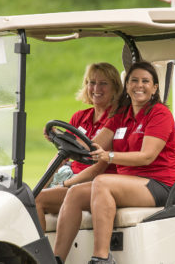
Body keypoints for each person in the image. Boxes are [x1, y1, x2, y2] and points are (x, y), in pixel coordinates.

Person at [53, 62, 175, 264]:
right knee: (75, 193)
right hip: (129, 183)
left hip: (161, 185)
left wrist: (110, 156)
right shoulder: (121, 116)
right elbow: (92, 146)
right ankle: (56, 259)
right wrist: (62, 140)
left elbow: (147, 156)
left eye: (145, 81)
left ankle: (101, 258)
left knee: (103, 182)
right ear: (127, 85)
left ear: (154, 88)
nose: (139, 85)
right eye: (134, 80)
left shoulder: (159, 114)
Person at [35, 62, 123, 233]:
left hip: (90, 184)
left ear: (115, 89)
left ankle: (40, 255)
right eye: (91, 82)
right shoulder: (80, 117)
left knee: (37, 200)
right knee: (29, 196)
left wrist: (65, 184)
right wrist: (43, 183)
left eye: (103, 83)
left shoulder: (115, 120)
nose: (96, 88)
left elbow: (97, 168)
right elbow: (62, 155)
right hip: (70, 176)